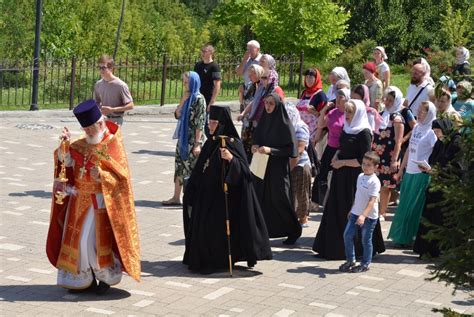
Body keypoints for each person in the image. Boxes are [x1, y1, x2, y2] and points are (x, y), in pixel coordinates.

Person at [46, 100, 140, 294]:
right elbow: (67, 163)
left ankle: (105, 277)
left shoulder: (112, 143)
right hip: (78, 199)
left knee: (92, 241)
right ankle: (83, 279)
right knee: (78, 241)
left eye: (90, 128)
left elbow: (122, 177)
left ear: (100, 123)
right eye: (85, 128)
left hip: (99, 201)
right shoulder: (81, 144)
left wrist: (103, 176)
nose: (88, 132)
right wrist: (64, 144)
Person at [183, 105, 272, 274]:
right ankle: (204, 259)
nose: (210, 126)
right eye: (209, 122)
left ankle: (221, 260)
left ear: (222, 123)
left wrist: (231, 159)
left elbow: (245, 172)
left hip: (225, 199)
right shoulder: (211, 142)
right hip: (207, 196)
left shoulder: (233, 143)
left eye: (213, 122)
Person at [313, 99, 385, 260]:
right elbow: (342, 146)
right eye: (346, 111)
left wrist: (342, 163)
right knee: (336, 209)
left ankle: (359, 249)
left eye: (350, 112)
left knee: (353, 209)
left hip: (355, 178)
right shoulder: (347, 128)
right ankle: (332, 247)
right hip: (340, 175)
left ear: (358, 112)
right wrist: (336, 157)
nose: (347, 115)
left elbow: (364, 160)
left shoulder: (364, 132)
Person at [251, 93, 302, 245]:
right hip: (262, 166)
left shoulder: (284, 124)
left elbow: (290, 150)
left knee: (280, 198)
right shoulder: (264, 120)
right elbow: (257, 139)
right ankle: (264, 230)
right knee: (262, 198)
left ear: (278, 105)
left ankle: (294, 229)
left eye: (271, 104)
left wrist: (270, 150)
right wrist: (254, 147)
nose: (268, 106)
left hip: (278, 169)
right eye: (266, 103)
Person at [389, 101, 437, 247]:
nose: (420, 114)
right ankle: (400, 236)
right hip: (409, 172)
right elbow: (409, 149)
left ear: (430, 114)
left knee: (413, 207)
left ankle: (411, 237)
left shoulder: (432, 132)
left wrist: (431, 169)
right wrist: (401, 169)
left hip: (421, 174)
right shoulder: (416, 127)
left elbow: (436, 152)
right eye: (419, 110)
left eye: (423, 111)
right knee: (404, 205)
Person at [413, 118, 461, 258]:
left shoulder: (456, 143)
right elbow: (433, 160)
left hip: (449, 188)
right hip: (436, 185)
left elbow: (458, 167)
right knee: (430, 216)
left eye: (438, 131)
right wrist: (426, 167)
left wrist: (438, 171)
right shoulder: (440, 143)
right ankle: (427, 250)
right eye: (434, 132)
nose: (437, 134)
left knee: (444, 218)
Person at [162, 72, 206, 206]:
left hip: (194, 139)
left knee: (192, 168)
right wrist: (182, 102)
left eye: (186, 82)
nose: (184, 84)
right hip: (183, 137)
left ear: (193, 82)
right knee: (179, 166)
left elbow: (200, 122)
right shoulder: (186, 97)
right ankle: (176, 197)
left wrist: (197, 144)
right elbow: (177, 115)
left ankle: (193, 198)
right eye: (183, 81)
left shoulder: (199, 99)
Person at [340, 151, 381, 273]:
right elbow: (358, 195)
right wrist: (353, 209)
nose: (365, 167)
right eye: (364, 163)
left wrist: (363, 215)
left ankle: (365, 263)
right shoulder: (360, 176)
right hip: (355, 213)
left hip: (368, 216)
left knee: (365, 240)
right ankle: (350, 260)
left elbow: (372, 200)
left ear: (375, 167)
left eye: (369, 165)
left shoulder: (375, 181)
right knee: (347, 235)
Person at [311, 88, 349, 208]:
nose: (337, 100)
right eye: (336, 97)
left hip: (342, 149)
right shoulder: (333, 112)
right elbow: (321, 125)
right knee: (322, 174)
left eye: (340, 97)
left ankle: (336, 201)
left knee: (338, 176)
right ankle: (317, 201)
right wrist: (324, 110)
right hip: (330, 148)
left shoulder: (349, 113)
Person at [239, 68, 285, 161]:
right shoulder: (262, 89)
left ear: (272, 78)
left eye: (265, 78)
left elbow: (281, 108)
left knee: (265, 151)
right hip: (259, 123)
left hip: (270, 124)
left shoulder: (276, 90)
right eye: (262, 78)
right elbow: (254, 102)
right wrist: (244, 113)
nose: (263, 80)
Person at [373, 87, 404, 219]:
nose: (387, 102)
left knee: (385, 186)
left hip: (388, 156)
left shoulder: (397, 119)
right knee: (375, 184)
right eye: (386, 99)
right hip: (376, 155)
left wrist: (394, 160)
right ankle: (374, 210)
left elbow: (398, 141)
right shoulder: (381, 114)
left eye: (391, 100)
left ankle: (382, 212)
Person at [285, 102, 312, 226]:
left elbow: (299, 151)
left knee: (301, 193)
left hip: (300, 165)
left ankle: (303, 219)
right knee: (292, 193)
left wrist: (288, 170)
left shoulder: (300, 127)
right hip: (288, 162)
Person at [94, 55, 134, 126]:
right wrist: (98, 109)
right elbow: (97, 102)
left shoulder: (121, 85)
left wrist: (112, 109)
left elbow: (131, 105)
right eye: (99, 67)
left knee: (112, 137)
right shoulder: (98, 84)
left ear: (111, 68)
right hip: (102, 120)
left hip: (116, 121)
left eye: (103, 68)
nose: (101, 70)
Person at [238, 64, 265, 161]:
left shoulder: (261, 86)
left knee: (253, 144)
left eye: (252, 74)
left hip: (255, 120)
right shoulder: (249, 85)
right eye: (249, 74)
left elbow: (255, 102)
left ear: (258, 74)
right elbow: (243, 101)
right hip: (246, 119)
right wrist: (240, 93)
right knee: (244, 143)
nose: (249, 76)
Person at [194, 44, 222, 137]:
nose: (202, 53)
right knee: (196, 120)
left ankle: (209, 143)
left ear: (210, 53)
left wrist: (212, 101)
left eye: (204, 51)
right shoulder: (198, 65)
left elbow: (217, 84)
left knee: (205, 122)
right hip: (197, 97)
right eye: (202, 51)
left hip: (207, 98)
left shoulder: (215, 67)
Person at [295, 68, 328, 144]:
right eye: (307, 77)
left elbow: (323, 117)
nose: (308, 80)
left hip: (313, 132)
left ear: (316, 79)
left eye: (311, 77)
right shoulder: (304, 92)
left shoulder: (321, 95)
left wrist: (313, 111)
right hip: (300, 129)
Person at [236, 40, 262, 112]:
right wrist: (244, 60)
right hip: (247, 92)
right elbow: (238, 73)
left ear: (258, 49)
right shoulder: (246, 60)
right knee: (245, 117)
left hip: (258, 91)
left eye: (251, 49)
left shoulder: (263, 60)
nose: (249, 52)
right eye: (248, 49)